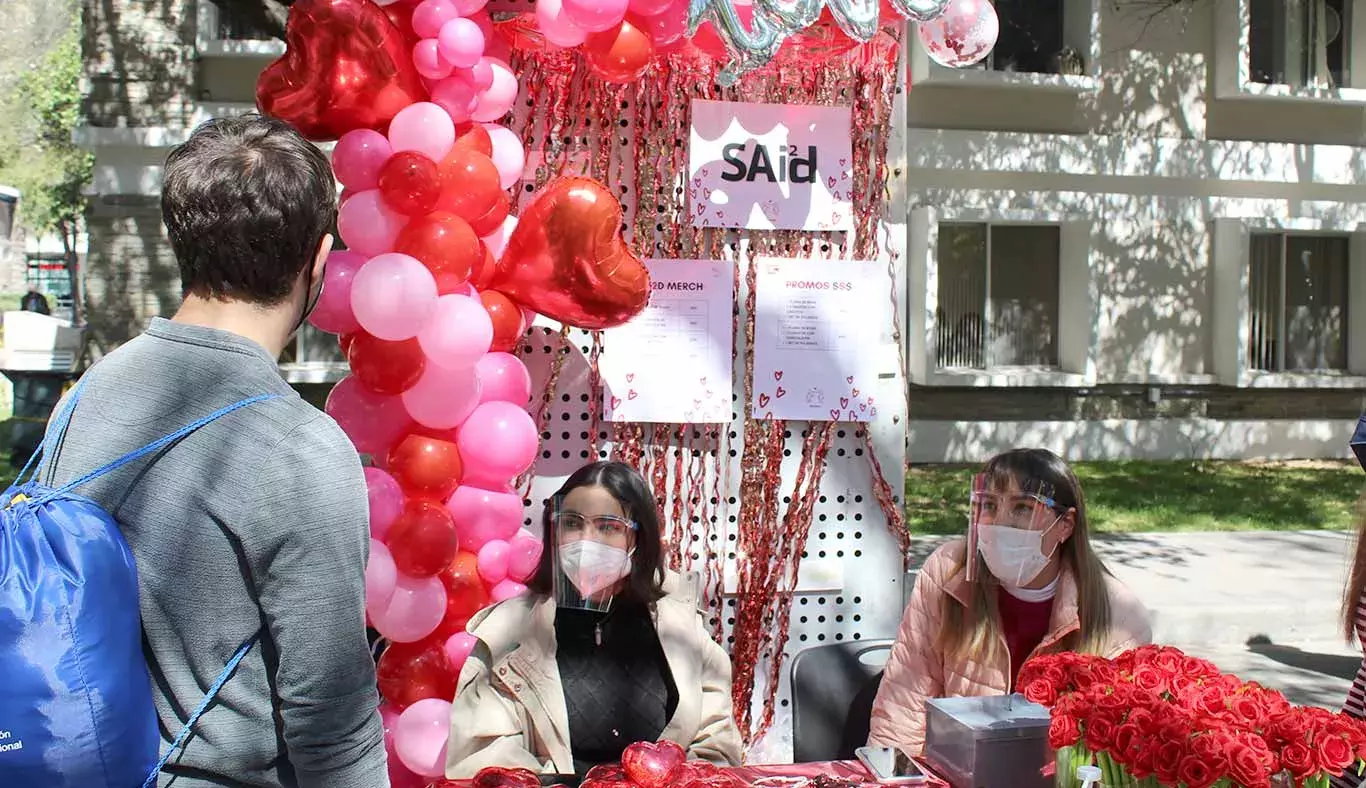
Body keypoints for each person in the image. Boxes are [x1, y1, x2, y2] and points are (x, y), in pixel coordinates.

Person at [37, 115, 388, 787]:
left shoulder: (88, 395)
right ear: (317, 259)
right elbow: (332, 730)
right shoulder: (303, 450)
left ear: (181, 241)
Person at [444, 461, 742, 778]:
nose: (587, 541)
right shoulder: (506, 634)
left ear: (638, 538)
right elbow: (484, 761)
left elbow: (717, 746)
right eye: (571, 523)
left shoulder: (682, 626)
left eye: (608, 526)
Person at [868, 448, 1152, 755]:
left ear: (1065, 525)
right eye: (989, 505)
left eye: (1022, 508)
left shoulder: (1116, 613)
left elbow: (1115, 746)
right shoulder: (949, 570)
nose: (1001, 522)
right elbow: (905, 699)